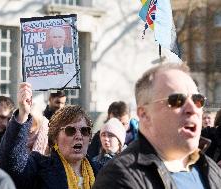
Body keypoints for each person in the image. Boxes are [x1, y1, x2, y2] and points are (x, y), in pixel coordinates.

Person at [93, 63, 221, 188]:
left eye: (197, 100)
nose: (192, 109)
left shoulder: (211, 169)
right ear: (144, 114)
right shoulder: (119, 177)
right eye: (177, 100)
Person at [0, 83, 101, 189]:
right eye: (70, 130)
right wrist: (23, 114)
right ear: (55, 138)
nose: (79, 136)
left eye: (85, 131)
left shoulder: (102, 171)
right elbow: (12, 167)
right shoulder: (40, 167)